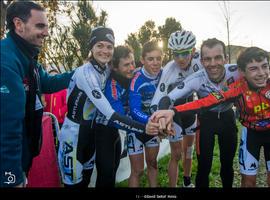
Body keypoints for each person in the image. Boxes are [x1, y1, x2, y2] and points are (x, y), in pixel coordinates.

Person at [151, 47, 270, 187]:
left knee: (227, 165)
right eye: (208, 59)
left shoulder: (235, 71)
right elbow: (205, 101)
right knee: (205, 167)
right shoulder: (235, 87)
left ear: (225, 58)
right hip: (212, 121)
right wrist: (172, 111)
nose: (261, 73)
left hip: (229, 119)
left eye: (264, 67)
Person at [57, 27, 159, 188]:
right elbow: (111, 114)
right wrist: (145, 128)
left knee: (104, 178)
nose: (105, 50)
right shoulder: (86, 73)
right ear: (91, 47)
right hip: (75, 135)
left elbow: (136, 70)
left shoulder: (106, 69)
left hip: (94, 133)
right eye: (100, 46)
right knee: (78, 184)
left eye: (109, 47)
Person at [0, 1, 73, 187]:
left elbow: (48, 82)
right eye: (40, 26)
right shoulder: (5, 59)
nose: (47, 33)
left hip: (22, 157)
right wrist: (11, 177)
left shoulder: (26, 55)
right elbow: (8, 125)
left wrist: (80, 73)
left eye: (47, 26)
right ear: (18, 25)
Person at [150, 30, 203, 187]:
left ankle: (186, 182)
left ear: (193, 51)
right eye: (176, 54)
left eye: (185, 53)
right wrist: (158, 120)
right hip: (174, 113)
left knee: (188, 151)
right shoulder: (169, 69)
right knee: (176, 155)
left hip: (190, 110)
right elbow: (158, 98)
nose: (180, 59)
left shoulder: (201, 60)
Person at [94, 45, 136, 187]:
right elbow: (119, 117)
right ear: (115, 67)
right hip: (103, 131)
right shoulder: (111, 85)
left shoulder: (129, 77)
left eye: (133, 63)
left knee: (113, 171)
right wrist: (146, 128)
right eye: (126, 65)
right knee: (105, 175)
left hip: (115, 132)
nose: (132, 68)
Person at [128, 40, 163, 187]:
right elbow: (134, 110)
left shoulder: (165, 74)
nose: (155, 63)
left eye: (158, 58)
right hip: (136, 128)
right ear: (142, 60)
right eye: (150, 59)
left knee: (153, 164)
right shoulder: (137, 79)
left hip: (153, 127)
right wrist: (153, 120)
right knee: (137, 171)